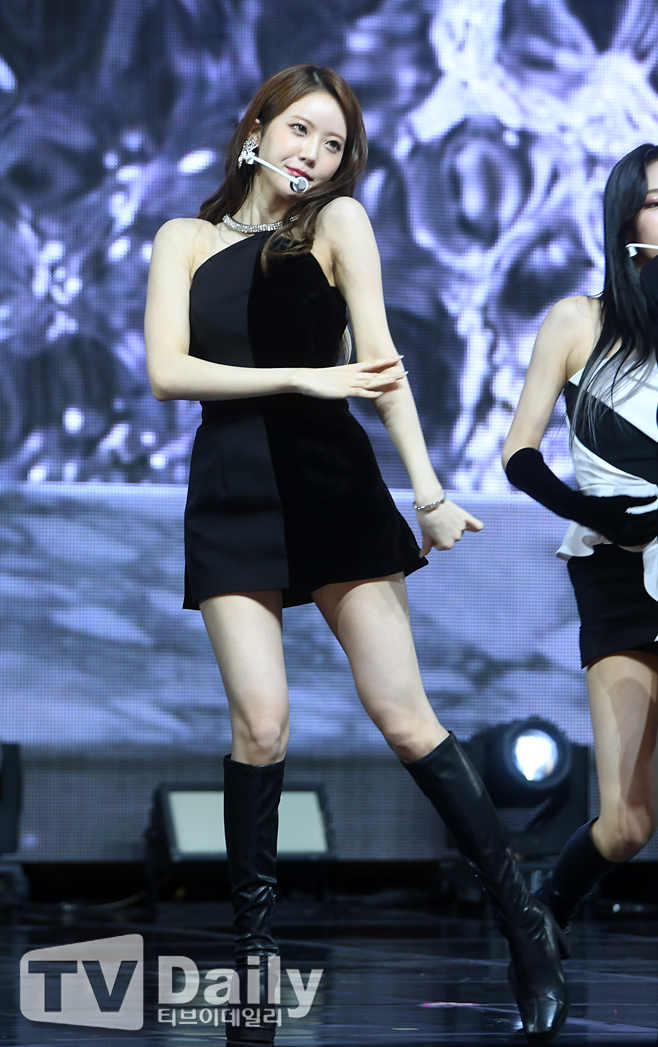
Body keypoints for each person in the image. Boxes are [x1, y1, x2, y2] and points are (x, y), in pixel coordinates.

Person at [145, 64, 567, 1043]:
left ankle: (525, 923)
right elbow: (168, 371)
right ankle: (253, 965)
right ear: (256, 129)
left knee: (405, 718)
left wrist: (428, 493)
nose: (315, 154)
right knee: (260, 729)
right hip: (232, 494)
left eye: (333, 144)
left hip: (331, 485)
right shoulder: (183, 240)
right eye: (300, 130)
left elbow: (381, 370)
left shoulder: (337, 224)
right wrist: (305, 376)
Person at [503, 143, 658, 950]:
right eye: (657, 201)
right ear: (625, 216)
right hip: (613, 569)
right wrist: (600, 513)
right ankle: (544, 913)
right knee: (627, 822)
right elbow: (520, 454)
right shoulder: (577, 321)